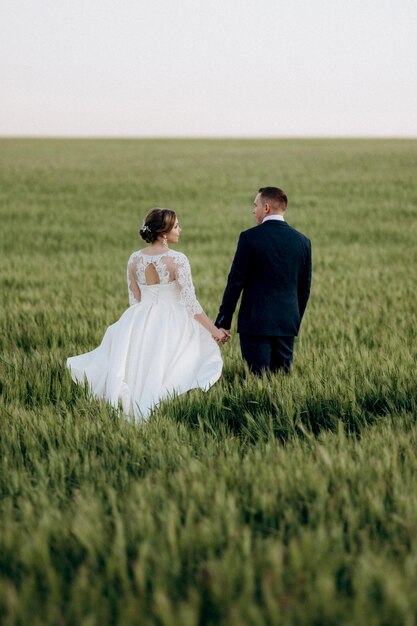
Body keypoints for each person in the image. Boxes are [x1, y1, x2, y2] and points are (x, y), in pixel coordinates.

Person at [67, 208, 226, 420]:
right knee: (174, 366)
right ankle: (165, 410)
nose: (180, 229)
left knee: (138, 366)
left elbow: (135, 298)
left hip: (139, 318)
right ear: (163, 232)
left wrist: (143, 320)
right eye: (176, 226)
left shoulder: (134, 259)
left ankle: (134, 408)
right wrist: (214, 330)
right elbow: (190, 303)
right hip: (173, 320)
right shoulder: (177, 260)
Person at [215, 187, 312, 375]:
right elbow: (304, 288)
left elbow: (235, 282)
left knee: (257, 379)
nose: (253, 210)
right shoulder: (302, 241)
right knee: (282, 382)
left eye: (255, 205)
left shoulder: (250, 238)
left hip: (255, 323)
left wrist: (224, 320)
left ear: (266, 208)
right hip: (286, 323)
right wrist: (293, 319)